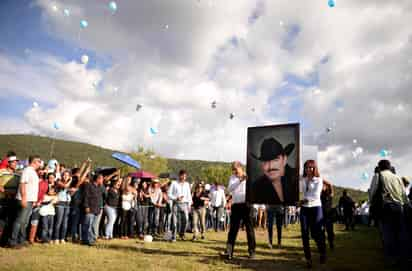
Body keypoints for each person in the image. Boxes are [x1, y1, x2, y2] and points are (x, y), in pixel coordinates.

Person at [369, 160, 411, 269]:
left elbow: (372, 193)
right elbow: (404, 196)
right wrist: (407, 207)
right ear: (389, 166)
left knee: (388, 234)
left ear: (379, 167)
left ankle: (392, 259)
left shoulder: (378, 176)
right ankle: (403, 258)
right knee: (401, 233)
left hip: (385, 207)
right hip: (399, 207)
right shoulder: (397, 177)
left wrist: (373, 207)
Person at [222, 161, 256, 260]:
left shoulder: (249, 176)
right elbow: (229, 189)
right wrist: (240, 180)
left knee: (249, 230)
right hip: (236, 206)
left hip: (247, 205)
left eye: (236, 169)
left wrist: (245, 179)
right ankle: (229, 252)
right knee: (233, 230)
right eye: (233, 170)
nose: (234, 172)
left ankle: (252, 251)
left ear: (241, 168)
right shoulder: (232, 178)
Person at [249, 137, 298, 205]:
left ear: (284, 160)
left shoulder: (297, 178)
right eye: (265, 161)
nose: (270, 166)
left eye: (275, 160)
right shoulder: (257, 187)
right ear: (262, 165)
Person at [300, 160, 330, 268]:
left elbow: (316, 195)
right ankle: (308, 259)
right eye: (306, 167)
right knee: (304, 233)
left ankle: (322, 252)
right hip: (304, 209)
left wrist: (302, 200)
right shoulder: (302, 180)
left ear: (314, 168)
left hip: (316, 208)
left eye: (311, 167)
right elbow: (298, 192)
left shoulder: (319, 180)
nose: (308, 169)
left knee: (316, 233)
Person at [8, 155, 41, 248]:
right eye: (39, 161)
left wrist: (33, 200)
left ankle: (21, 240)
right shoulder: (27, 170)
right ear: (34, 161)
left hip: (30, 200)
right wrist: (24, 198)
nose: (40, 163)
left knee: (24, 222)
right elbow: (23, 184)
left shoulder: (33, 172)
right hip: (25, 199)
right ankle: (12, 241)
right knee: (19, 221)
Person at [0, 155, 20, 244]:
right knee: (1, 220)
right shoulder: (1, 172)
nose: (15, 163)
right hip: (2, 199)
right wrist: (7, 193)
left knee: (10, 220)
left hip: (13, 200)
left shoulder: (17, 174)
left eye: (16, 162)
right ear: (8, 163)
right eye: (13, 162)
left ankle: (5, 240)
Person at [168, 170, 192, 241]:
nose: (184, 177)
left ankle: (182, 234)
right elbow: (169, 194)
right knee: (175, 221)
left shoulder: (187, 184)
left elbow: (189, 195)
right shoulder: (174, 183)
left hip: (185, 204)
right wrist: (176, 198)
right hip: (176, 203)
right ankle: (173, 236)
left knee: (186, 220)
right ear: (179, 175)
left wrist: (189, 204)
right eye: (182, 176)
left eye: (185, 176)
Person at [81, 173, 104, 246]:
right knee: (87, 225)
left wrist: (100, 207)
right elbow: (86, 196)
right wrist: (86, 206)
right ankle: (86, 240)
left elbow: (102, 196)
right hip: (90, 208)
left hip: (97, 209)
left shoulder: (100, 187)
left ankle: (93, 239)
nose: (102, 180)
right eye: (101, 179)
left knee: (94, 226)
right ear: (97, 179)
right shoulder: (89, 185)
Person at [53, 170, 72, 244]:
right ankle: (56, 238)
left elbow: (70, 191)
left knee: (65, 223)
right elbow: (65, 186)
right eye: (64, 175)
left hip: (67, 204)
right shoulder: (58, 181)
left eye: (67, 175)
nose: (65, 176)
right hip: (60, 204)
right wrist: (70, 180)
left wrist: (71, 191)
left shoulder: (69, 184)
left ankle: (62, 238)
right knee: (58, 222)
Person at [321, 179, 335, 250]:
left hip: (329, 216)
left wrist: (321, 179)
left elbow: (330, 185)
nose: (323, 187)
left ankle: (331, 243)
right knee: (321, 231)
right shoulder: (320, 195)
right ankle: (323, 245)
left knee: (330, 231)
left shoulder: (330, 195)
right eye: (322, 186)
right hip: (321, 216)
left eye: (324, 186)